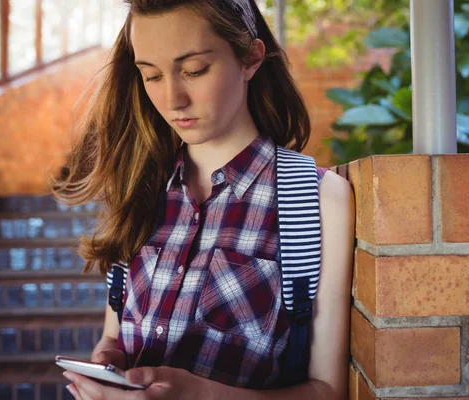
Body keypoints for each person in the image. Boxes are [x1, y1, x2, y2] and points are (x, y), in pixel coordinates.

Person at [52, 0, 355, 399]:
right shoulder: (137, 190)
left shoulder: (315, 199)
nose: (173, 99)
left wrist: (204, 395)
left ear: (251, 57)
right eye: (152, 75)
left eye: (194, 70)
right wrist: (108, 373)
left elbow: (327, 390)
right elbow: (113, 339)